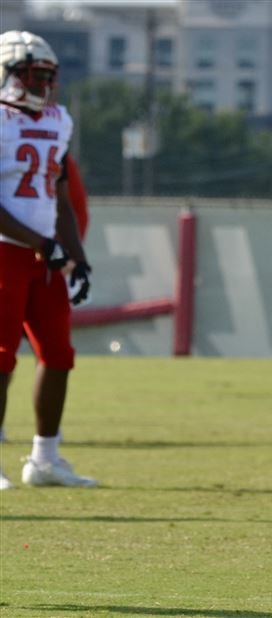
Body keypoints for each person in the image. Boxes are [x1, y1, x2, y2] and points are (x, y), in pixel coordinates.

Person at [0, 30, 94, 491]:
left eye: (50, 76)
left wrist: (78, 256)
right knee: (0, 358)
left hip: (44, 257)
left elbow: (58, 195)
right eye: (36, 74)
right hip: (4, 251)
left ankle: (45, 459)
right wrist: (43, 242)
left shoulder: (59, 120)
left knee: (58, 355)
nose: (44, 85)